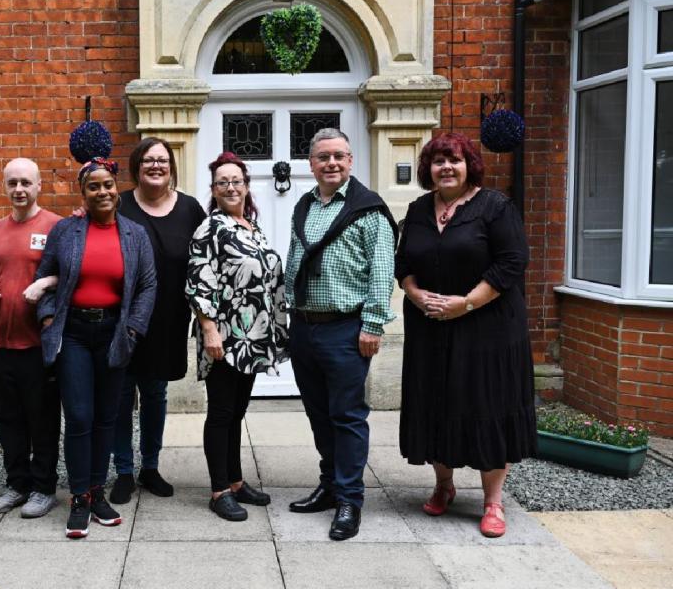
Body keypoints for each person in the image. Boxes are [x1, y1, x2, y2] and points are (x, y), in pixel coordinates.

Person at [396, 132, 535, 538]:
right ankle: (444, 484)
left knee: (485, 404)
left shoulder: (495, 207)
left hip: (487, 328)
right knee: (437, 402)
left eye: (453, 160)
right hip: (430, 328)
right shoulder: (419, 209)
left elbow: (512, 263)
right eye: (438, 161)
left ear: (468, 164)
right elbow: (403, 262)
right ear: (428, 169)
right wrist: (416, 294)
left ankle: (493, 502)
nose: (446, 168)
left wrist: (465, 303)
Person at [284, 128, 398, 541]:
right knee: (318, 413)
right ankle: (330, 485)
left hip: (347, 330)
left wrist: (373, 325)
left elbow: (382, 272)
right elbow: (294, 262)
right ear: (311, 164)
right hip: (305, 327)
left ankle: (351, 499)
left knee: (347, 416)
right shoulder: (304, 206)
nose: (331, 163)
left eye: (339, 156)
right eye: (322, 157)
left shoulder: (369, 210)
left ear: (351, 161)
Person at [34, 157, 156, 539]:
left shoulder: (135, 234)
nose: (101, 192)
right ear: (82, 193)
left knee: (107, 416)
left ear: (115, 188)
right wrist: (49, 319)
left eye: (106, 185)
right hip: (73, 334)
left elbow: (148, 285)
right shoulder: (66, 230)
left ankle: (96, 492)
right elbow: (44, 278)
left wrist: (134, 330)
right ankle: (78, 498)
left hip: (114, 332)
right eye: (93, 187)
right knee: (80, 416)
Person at [185, 152, 288, 522]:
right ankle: (218, 491)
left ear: (246, 186)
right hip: (225, 337)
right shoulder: (210, 228)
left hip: (252, 337)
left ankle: (236, 481)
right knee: (221, 412)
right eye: (222, 182)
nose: (230, 187)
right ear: (213, 189)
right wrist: (209, 329)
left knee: (238, 411)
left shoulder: (250, 226)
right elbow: (199, 282)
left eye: (236, 181)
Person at [108, 137, 207, 505]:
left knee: (155, 394)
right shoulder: (119, 204)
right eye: (148, 160)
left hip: (167, 319)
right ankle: (122, 471)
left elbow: (206, 259)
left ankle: (149, 467)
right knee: (120, 395)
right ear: (136, 166)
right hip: (123, 318)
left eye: (162, 160)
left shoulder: (191, 209)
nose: (156, 166)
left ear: (171, 166)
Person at [0, 158, 63, 518]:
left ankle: (44, 487)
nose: (19, 189)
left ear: (38, 186)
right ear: (5, 186)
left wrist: (46, 283)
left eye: (26, 183)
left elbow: (73, 274)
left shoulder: (57, 227)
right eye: (12, 183)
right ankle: (16, 484)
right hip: (3, 341)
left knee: (43, 419)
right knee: (8, 419)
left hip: (40, 344)